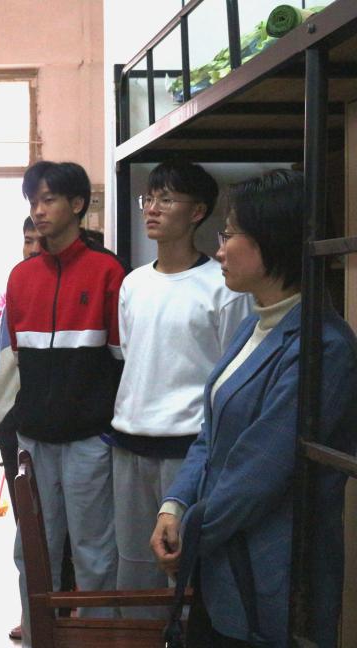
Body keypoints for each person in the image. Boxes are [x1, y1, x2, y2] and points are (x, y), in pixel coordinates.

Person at [151, 170, 357, 648]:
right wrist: (174, 504)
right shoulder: (255, 326)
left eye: (229, 234)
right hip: (223, 563)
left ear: (273, 240)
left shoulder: (322, 347)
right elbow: (211, 433)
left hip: (270, 575)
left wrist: (190, 532)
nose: (220, 250)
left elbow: (259, 473)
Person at [111, 161, 250, 615]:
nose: (152, 209)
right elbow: (131, 354)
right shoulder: (133, 283)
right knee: (134, 569)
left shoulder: (223, 286)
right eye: (149, 198)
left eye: (166, 199)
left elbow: (232, 371)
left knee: (183, 568)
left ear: (197, 212)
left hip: (188, 451)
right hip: (129, 443)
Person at [5, 160, 125, 647]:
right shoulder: (20, 277)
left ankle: (95, 640)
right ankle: (40, 638)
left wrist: (105, 427)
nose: (39, 210)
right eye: (33, 201)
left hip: (88, 440)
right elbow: (20, 361)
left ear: (77, 204)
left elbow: (121, 360)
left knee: (95, 552)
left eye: (49, 199)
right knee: (33, 551)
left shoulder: (108, 271)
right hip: (33, 440)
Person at [0, 216, 40, 641]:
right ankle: (33, 614)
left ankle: (67, 612)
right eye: (27, 240)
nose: (33, 248)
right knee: (28, 530)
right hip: (14, 430)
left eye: (40, 240)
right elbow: (0, 367)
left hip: (62, 431)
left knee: (67, 536)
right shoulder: (18, 286)